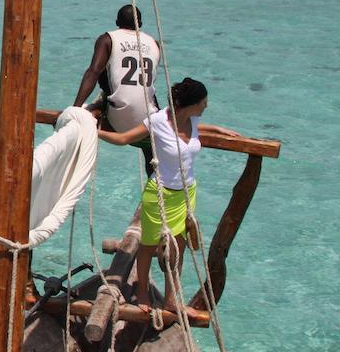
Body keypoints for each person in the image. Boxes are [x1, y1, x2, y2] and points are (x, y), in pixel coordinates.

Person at [98, 77, 237, 314]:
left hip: (187, 194)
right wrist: (94, 131)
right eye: (203, 102)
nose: (206, 106)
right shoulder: (158, 121)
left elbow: (195, 129)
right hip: (159, 195)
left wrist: (218, 129)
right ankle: (142, 293)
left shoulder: (192, 120)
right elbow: (123, 139)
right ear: (192, 103)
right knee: (148, 246)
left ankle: (172, 299)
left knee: (178, 249)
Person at [74, 4, 161, 167]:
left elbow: (93, 72)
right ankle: (155, 179)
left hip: (117, 119)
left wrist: (75, 108)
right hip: (146, 120)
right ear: (140, 24)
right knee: (153, 155)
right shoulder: (154, 44)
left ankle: (99, 108)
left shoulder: (108, 39)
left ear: (116, 22)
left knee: (103, 68)